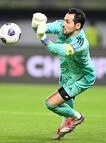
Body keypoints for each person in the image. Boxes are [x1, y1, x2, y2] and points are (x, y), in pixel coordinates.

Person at [31, 8, 96, 140]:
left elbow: (56, 50)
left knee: (50, 103)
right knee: (66, 103)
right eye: (64, 20)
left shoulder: (80, 43)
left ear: (77, 26)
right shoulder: (62, 26)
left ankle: (78, 117)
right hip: (66, 74)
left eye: (68, 21)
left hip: (81, 78)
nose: (63, 24)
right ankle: (63, 130)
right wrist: (37, 25)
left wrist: (43, 38)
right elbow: (45, 29)